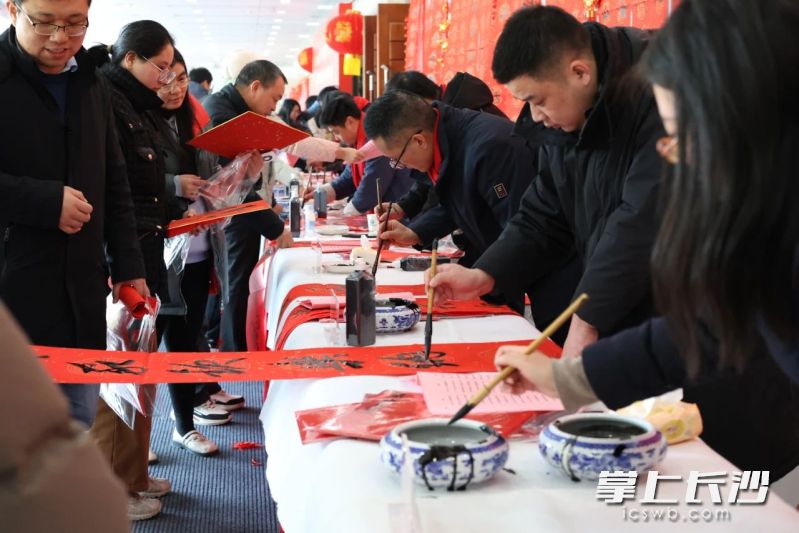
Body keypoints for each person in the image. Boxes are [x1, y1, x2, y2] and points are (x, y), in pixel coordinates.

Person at [492, 0, 799, 482]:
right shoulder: (765, 232)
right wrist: (569, 378)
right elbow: (712, 325)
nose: (676, 163)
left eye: (684, 139)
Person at [0, 0, 146, 426]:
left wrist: (127, 264)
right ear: (12, 9)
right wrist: (46, 203)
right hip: (13, 293)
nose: (60, 38)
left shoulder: (91, 82)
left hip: (80, 293)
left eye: (74, 24)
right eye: (44, 23)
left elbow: (114, 178)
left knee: (76, 433)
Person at [365, 91, 580, 332]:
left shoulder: (490, 147)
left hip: (559, 270)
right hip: (516, 259)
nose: (400, 167)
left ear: (418, 141)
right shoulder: (447, 139)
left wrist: (483, 275)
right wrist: (415, 232)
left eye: (397, 160)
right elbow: (461, 200)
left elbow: (525, 226)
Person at [87, 20, 183, 521]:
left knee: (141, 373)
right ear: (129, 59)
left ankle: (133, 476)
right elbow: (112, 192)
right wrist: (115, 263)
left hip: (145, 250)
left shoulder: (141, 108)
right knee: (114, 381)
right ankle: (109, 494)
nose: (167, 78)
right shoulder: (103, 97)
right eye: (161, 67)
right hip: (119, 261)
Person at [156, 50, 263, 454]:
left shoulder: (195, 119)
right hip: (159, 249)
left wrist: (243, 173)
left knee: (186, 340)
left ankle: (184, 425)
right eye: (165, 76)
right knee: (148, 348)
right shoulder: (135, 124)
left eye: (181, 77)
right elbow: (124, 183)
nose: (175, 86)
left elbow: (217, 189)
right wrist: (171, 185)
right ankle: (130, 444)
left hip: (199, 249)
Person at [203, 59, 293, 352]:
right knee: (234, 281)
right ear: (256, 87)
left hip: (235, 209)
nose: (273, 108)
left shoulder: (231, 109)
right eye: (274, 98)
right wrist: (276, 227)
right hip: (228, 213)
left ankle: (232, 344)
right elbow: (227, 185)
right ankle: (233, 350)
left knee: (233, 280)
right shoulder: (222, 116)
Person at [313, 92, 415, 215]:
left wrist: (347, 214)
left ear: (349, 122)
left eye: (336, 132)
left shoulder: (375, 134)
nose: (336, 138)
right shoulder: (359, 138)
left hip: (400, 210)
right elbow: (349, 175)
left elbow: (371, 185)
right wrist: (325, 192)